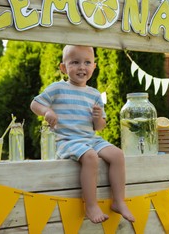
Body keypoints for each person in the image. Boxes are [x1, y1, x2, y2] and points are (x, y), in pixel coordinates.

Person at [30, 45, 135, 224]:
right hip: (67, 139)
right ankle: (91, 205)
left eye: (87, 62)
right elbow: (35, 104)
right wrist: (47, 112)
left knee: (117, 155)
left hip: (90, 138)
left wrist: (97, 118)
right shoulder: (57, 88)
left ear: (94, 66)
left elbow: (100, 126)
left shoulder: (94, 94)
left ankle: (118, 201)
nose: (82, 67)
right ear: (63, 67)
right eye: (75, 62)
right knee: (91, 157)